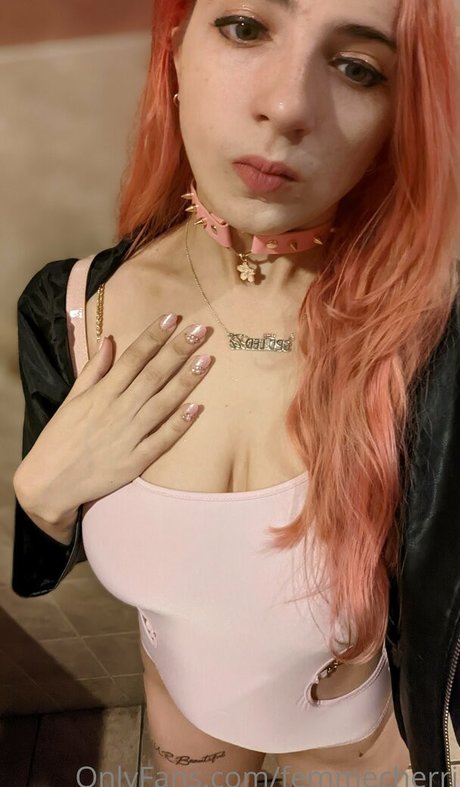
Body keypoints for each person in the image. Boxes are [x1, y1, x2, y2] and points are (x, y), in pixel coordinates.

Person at [11, 0, 460, 784]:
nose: (286, 106)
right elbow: (43, 561)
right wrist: (38, 498)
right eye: (246, 27)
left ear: (400, 117)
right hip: (190, 723)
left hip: (356, 742)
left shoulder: (432, 341)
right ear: (176, 49)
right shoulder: (72, 307)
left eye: (358, 69)